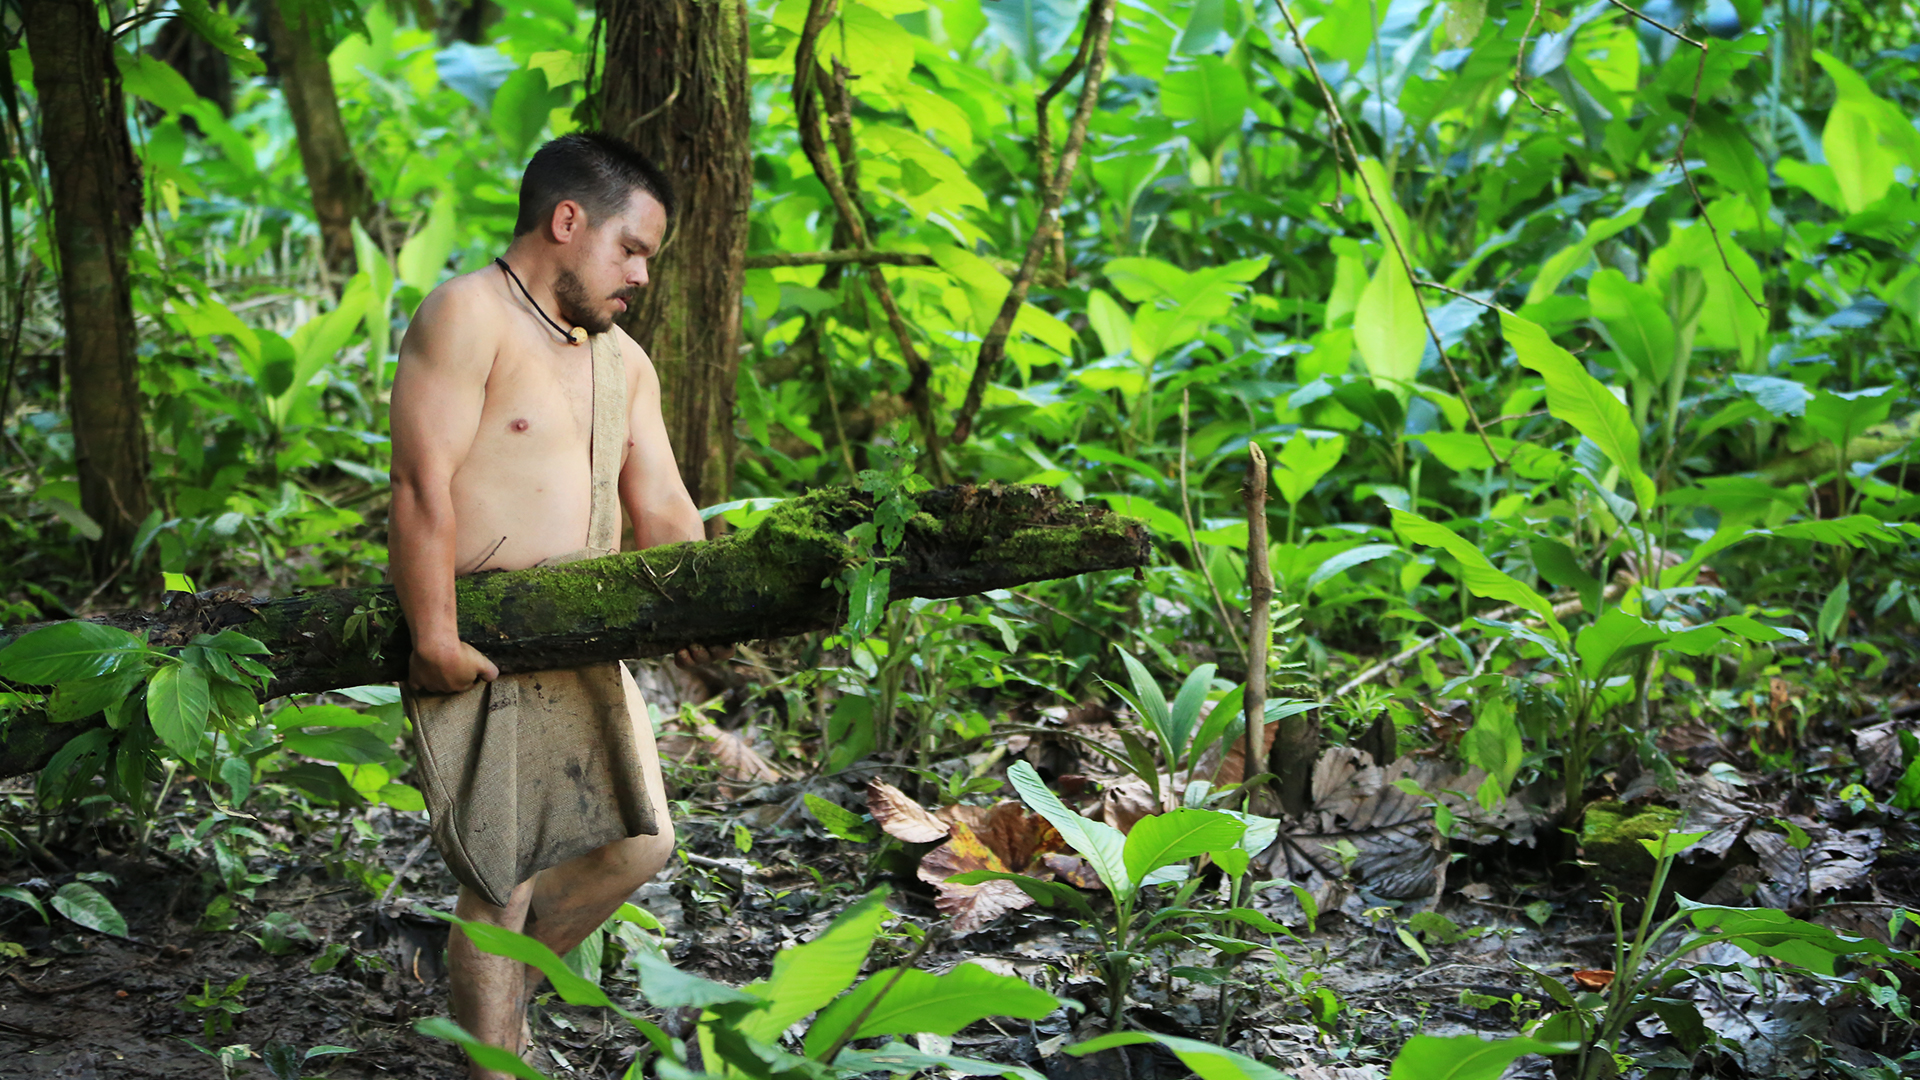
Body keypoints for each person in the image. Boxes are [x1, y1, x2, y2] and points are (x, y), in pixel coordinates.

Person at [387, 132, 722, 1077]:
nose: (642, 276)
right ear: (567, 221)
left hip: (588, 637)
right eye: (633, 248)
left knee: (642, 846)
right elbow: (421, 487)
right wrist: (435, 639)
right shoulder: (467, 315)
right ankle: (494, 1056)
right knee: (504, 877)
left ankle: (488, 996)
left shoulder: (625, 364)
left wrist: (713, 609)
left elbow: (662, 506)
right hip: (486, 640)